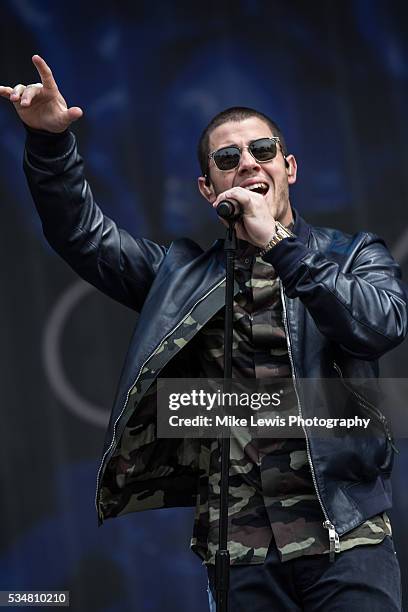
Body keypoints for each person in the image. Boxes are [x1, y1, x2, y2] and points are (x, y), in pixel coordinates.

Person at [1, 55, 407, 611]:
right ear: (206, 186)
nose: (247, 163)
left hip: (347, 540)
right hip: (239, 552)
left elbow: (377, 326)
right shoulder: (181, 277)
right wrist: (50, 144)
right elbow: (82, 235)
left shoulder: (355, 254)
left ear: (290, 168)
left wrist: (280, 246)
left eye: (262, 151)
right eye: (227, 157)